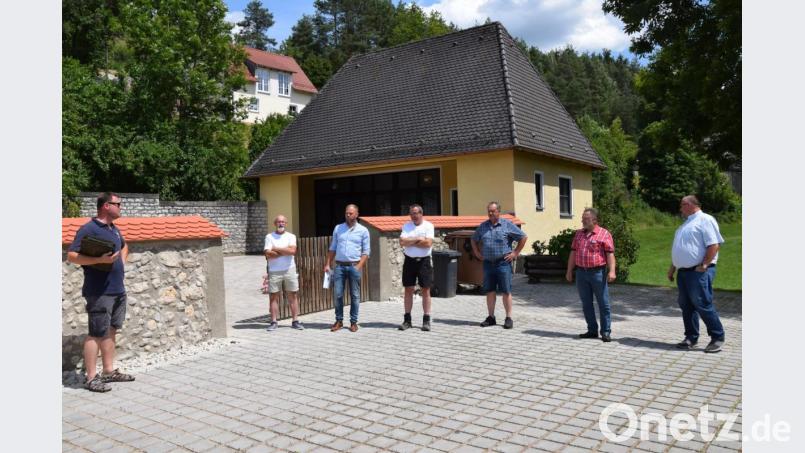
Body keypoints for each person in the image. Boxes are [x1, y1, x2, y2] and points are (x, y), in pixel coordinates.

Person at [67, 192, 135, 392]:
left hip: (117, 290)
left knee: (111, 330)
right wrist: (100, 261)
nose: (120, 207)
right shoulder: (89, 228)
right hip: (99, 292)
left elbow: (124, 246)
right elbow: (72, 255)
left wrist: (120, 263)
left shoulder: (113, 229)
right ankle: (90, 378)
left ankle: (108, 371)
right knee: (95, 333)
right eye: (118, 204)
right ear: (106, 206)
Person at [668, 195, 726, 353]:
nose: (680, 208)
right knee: (686, 306)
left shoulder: (705, 220)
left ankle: (717, 337)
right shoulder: (686, 224)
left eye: (682, 205)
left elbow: (714, 244)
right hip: (684, 272)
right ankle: (691, 337)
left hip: (698, 271)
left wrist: (704, 264)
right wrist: (672, 268)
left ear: (689, 204)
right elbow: (681, 249)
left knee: (703, 304)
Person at [471, 202, 528, 329]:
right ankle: (491, 317)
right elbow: (474, 239)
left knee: (506, 291)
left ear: (498, 212)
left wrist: (515, 253)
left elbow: (523, 237)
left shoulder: (507, 225)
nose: (490, 213)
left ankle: (508, 318)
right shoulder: (483, 226)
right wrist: (476, 252)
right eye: (489, 211)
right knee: (490, 291)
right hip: (488, 263)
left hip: (503, 263)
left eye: (493, 211)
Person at [565, 208, 617, 342]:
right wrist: (569, 270)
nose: (582, 221)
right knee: (586, 303)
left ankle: (605, 331)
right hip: (581, 273)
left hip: (598, 273)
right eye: (582, 218)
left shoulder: (604, 234)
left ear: (594, 220)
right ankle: (592, 330)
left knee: (603, 303)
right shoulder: (578, 234)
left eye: (585, 219)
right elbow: (573, 252)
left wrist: (612, 271)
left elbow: (610, 254)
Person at [324, 204, 370, 332]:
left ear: (356, 214)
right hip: (339, 266)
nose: (348, 215)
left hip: (354, 266)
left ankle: (353, 322)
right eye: (346, 213)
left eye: (350, 213)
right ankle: (339, 321)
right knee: (338, 294)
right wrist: (328, 263)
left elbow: (366, 252)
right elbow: (333, 247)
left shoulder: (363, 230)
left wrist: (358, 267)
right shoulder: (338, 228)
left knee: (355, 295)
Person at [398, 204, 435, 331]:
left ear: (421, 213)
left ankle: (426, 320)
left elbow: (428, 243)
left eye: (415, 213)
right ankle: (407, 320)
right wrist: (417, 239)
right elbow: (402, 242)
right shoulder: (406, 226)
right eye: (411, 213)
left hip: (424, 262)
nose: (413, 216)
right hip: (409, 261)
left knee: (425, 290)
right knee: (408, 289)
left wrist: (410, 241)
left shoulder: (428, 226)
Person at [264, 215, 303, 331]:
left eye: (283, 222)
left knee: (293, 296)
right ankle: (274, 322)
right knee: (273, 297)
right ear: (275, 223)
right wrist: (285, 250)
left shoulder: (291, 236)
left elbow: (293, 251)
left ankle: (295, 321)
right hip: (274, 271)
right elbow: (267, 254)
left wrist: (275, 248)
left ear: (286, 223)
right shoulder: (269, 237)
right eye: (278, 222)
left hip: (289, 269)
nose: (281, 223)